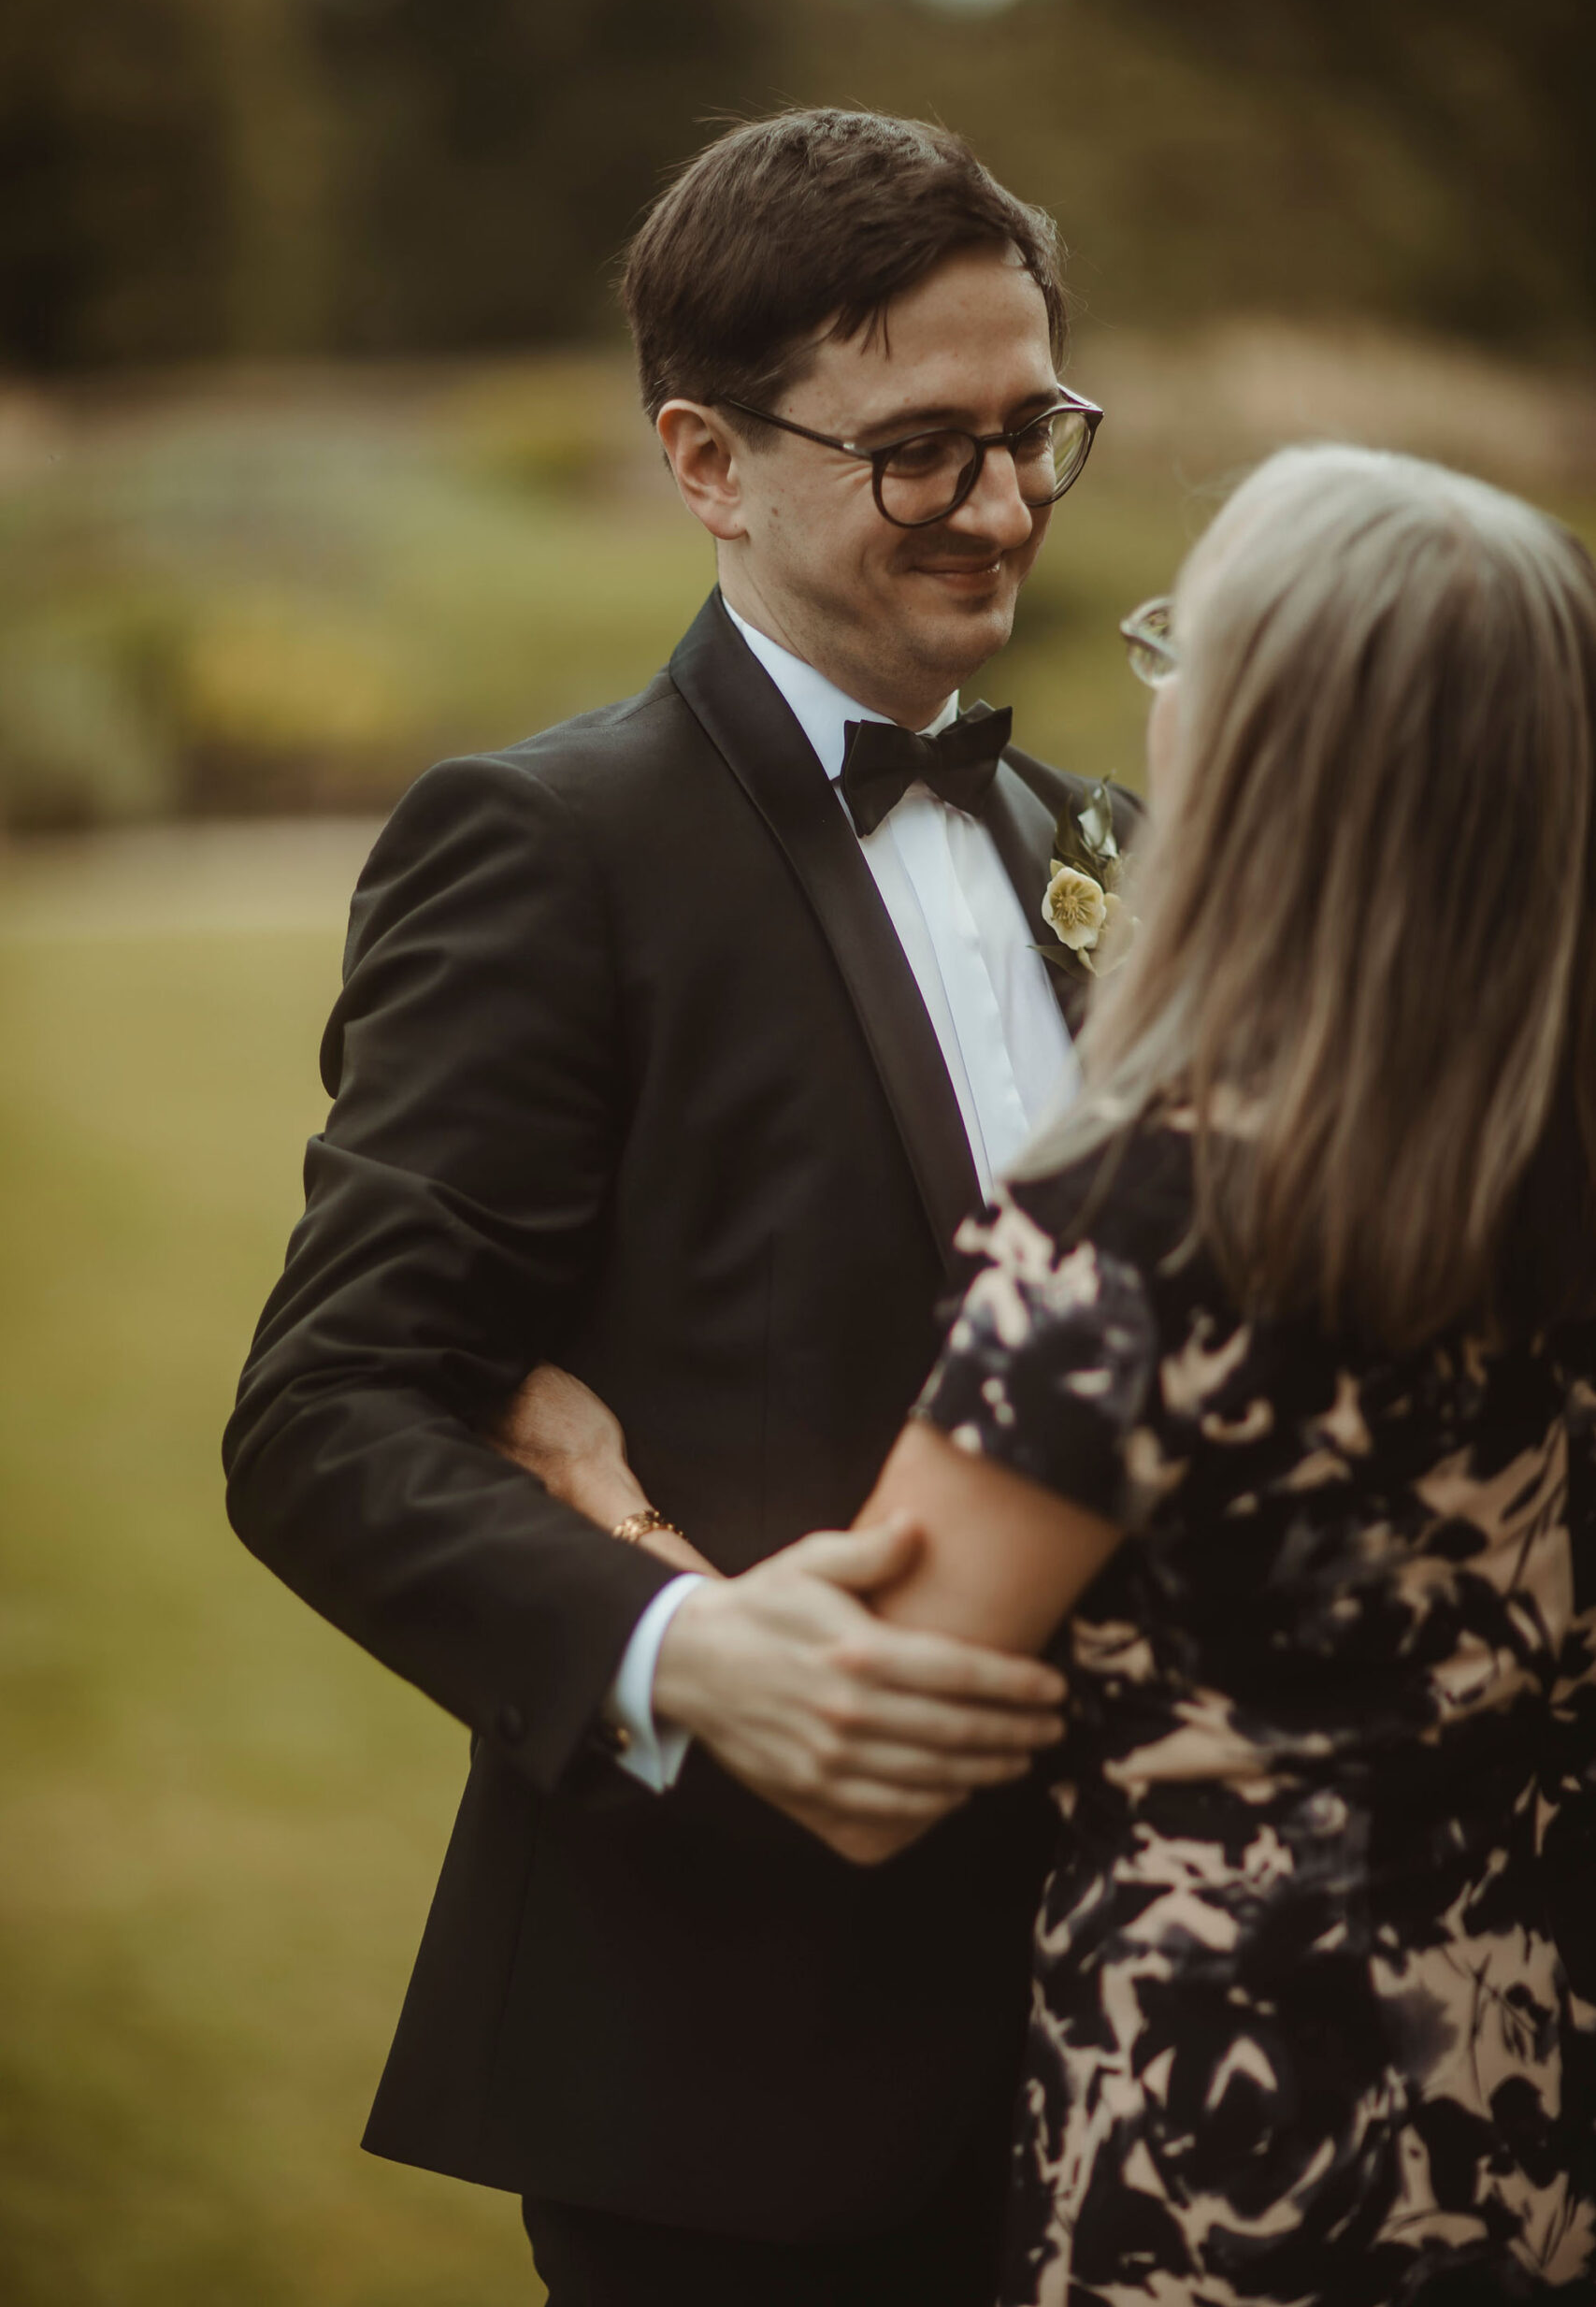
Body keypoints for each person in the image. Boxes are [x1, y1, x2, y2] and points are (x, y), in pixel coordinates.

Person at [510, 443, 1596, 2303]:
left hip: (1248, 2144)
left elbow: (863, 1751)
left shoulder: (1149, 1222)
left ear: (1264, 754)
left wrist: (593, 1499)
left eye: (1186, 655)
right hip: (1534, 2098)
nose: (1154, 702)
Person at [223, 108, 1139, 2307]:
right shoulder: (547, 846)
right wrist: (680, 1643)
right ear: (705, 460)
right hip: (741, 2073)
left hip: (1145, 2028)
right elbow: (327, 1414)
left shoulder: (1110, 840)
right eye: (916, 452)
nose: (1001, 504)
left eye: (1031, 432)